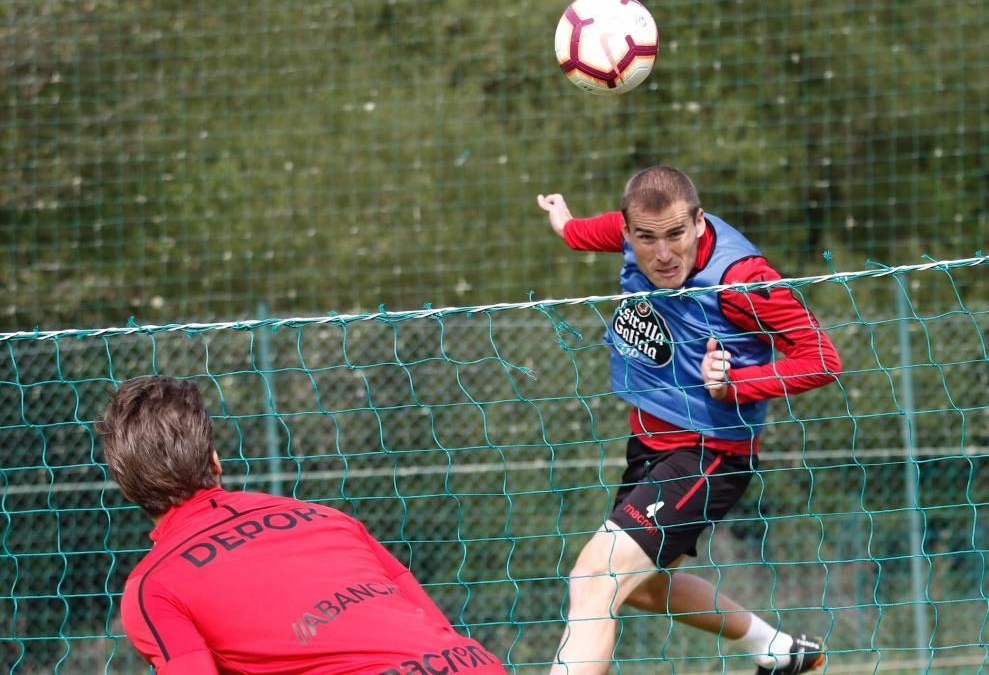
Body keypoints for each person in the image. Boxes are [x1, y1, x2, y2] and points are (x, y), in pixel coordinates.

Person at [536, 166, 841, 675]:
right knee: (645, 588)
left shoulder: (742, 280)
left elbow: (823, 358)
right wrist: (565, 222)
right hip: (650, 444)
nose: (662, 254)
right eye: (647, 238)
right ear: (629, 233)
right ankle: (779, 651)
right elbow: (586, 233)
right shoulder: (633, 233)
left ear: (699, 222)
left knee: (595, 579)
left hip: (710, 454)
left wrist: (735, 384)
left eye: (677, 234)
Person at [98, 375, 506, 675]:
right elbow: (434, 623)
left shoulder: (154, 588)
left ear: (128, 490)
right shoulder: (326, 518)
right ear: (215, 461)